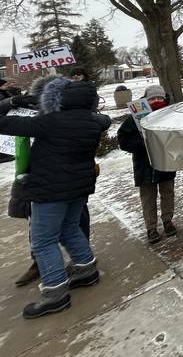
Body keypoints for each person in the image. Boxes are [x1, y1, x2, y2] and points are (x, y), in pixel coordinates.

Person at [0, 77, 110, 318]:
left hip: (51, 191)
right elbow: (105, 119)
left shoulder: (48, 122)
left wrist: (11, 101)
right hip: (79, 187)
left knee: (43, 240)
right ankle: (85, 269)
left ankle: (55, 292)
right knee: (69, 228)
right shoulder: (92, 122)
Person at [117, 85, 177, 244]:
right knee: (148, 197)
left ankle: (167, 221)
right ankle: (151, 227)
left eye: (159, 98)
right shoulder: (134, 118)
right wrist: (143, 144)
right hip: (144, 165)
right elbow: (123, 140)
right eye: (152, 99)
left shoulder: (170, 115)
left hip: (165, 163)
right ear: (146, 101)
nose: (156, 101)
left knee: (168, 192)